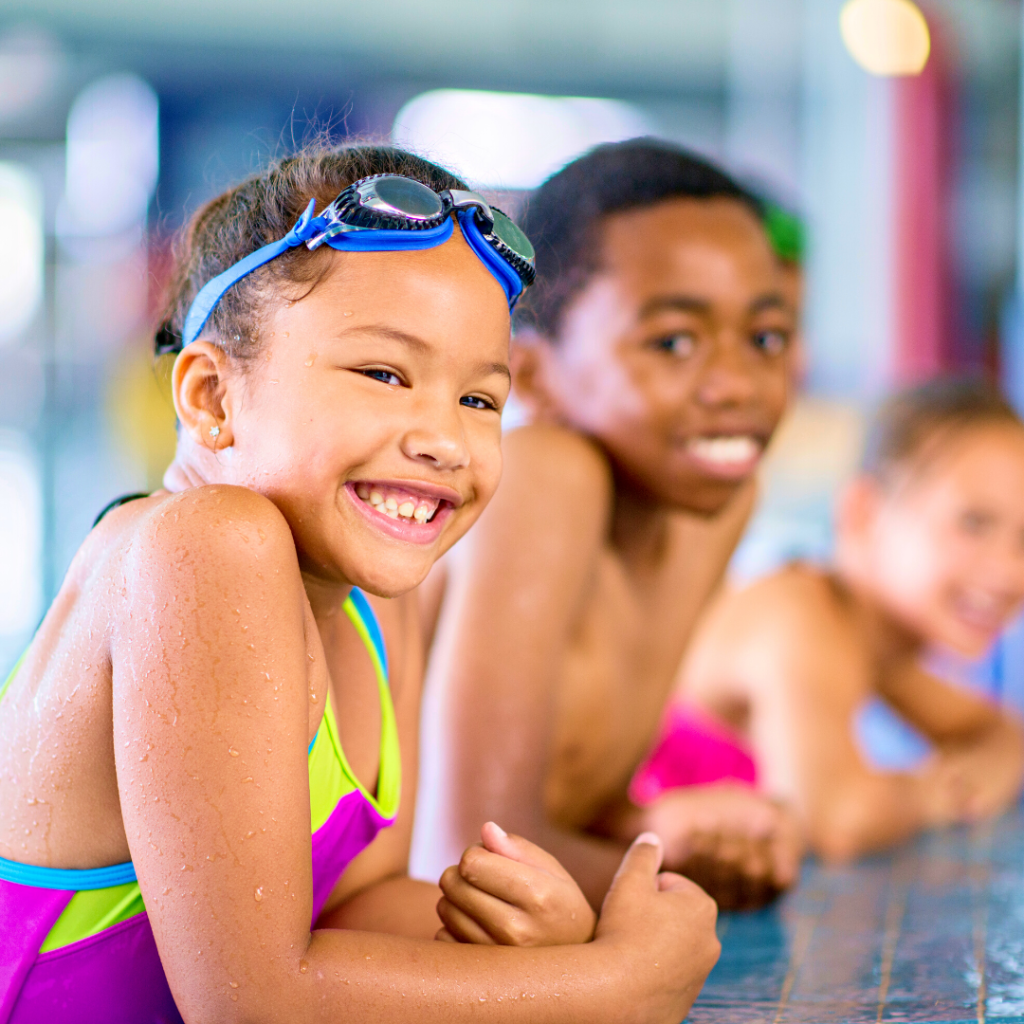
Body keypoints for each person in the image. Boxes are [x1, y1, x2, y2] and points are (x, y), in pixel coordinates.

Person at [0, 145, 720, 1024]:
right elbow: (253, 1004)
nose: (445, 442)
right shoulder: (202, 546)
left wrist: (554, 941)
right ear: (212, 399)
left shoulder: (379, 597)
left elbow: (358, 913)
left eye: (480, 400)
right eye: (384, 374)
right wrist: (616, 985)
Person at [414, 139, 802, 911]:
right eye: (673, 342)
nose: (735, 385)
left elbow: (573, 802)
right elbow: (462, 856)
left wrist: (675, 835)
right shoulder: (545, 475)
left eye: (766, 338)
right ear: (536, 375)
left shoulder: (716, 503)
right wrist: (669, 872)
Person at [644, 378, 1024, 861]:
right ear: (864, 513)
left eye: (1023, 538)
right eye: (974, 523)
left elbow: (1000, 734)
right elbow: (833, 820)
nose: (1009, 570)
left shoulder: (869, 642)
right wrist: (933, 794)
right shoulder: (800, 617)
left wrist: (961, 778)